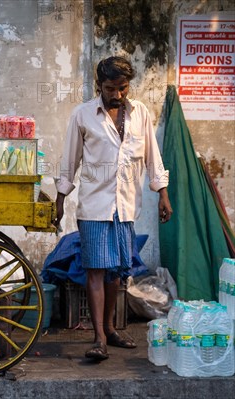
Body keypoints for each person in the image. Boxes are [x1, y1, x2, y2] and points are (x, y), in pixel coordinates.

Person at [54, 56, 173, 361]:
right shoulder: (83, 115)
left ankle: (109, 329)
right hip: (94, 207)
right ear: (99, 85)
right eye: (110, 88)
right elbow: (69, 160)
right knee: (95, 271)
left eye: (122, 88)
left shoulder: (140, 114)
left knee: (116, 274)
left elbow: (152, 157)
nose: (117, 94)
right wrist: (60, 199)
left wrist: (162, 193)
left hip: (126, 207)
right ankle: (98, 339)